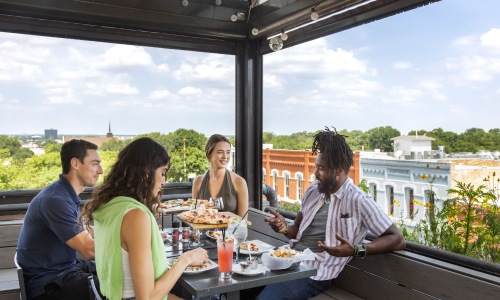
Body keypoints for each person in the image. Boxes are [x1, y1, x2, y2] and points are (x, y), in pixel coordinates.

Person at [258, 127, 406, 300]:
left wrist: (357, 250)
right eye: (316, 167)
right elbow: (297, 228)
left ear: (338, 170)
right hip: (286, 258)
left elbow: (397, 238)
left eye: (321, 168)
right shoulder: (313, 191)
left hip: (314, 272)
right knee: (236, 284)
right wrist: (284, 228)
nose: (315, 174)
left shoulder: (358, 200)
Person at [81, 137, 208, 300]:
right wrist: (186, 259)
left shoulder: (108, 207)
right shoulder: (135, 215)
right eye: (162, 173)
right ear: (146, 172)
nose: (163, 181)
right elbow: (146, 298)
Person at [17, 139, 103, 300]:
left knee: (120, 270)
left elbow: (87, 233)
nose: (101, 170)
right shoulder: (56, 200)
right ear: (75, 164)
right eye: (95, 163)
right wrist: (134, 245)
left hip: (64, 269)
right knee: (124, 283)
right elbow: (89, 250)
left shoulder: (63, 194)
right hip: (49, 284)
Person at [192, 134, 249, 217]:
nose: (225, 156)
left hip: (232, 230)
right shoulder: (198, 181)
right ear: (209, 154)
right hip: (203, 230)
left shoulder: (239, 182)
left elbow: (243, 221)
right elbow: (194, 216)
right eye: (220, 152)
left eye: (228, 152)